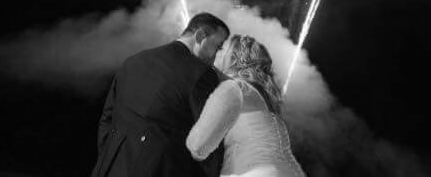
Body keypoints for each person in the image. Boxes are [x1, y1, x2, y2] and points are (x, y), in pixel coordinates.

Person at [91, 12, 230, 177]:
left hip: (110, 168)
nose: (215, 56)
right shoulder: (201, 74)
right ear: (200, 36)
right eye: (218, 46)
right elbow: (209, 142)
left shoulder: (133, 61)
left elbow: (107, 119)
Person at [186, 34, 305, 177]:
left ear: (233, 58)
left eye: (222, 49)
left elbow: (198, 145)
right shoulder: (263, 97)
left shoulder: (235, 88)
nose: (217, 52)